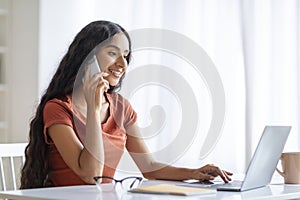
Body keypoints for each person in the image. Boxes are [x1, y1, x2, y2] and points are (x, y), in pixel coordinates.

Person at [20, 20, 232, 189]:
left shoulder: (121, 107)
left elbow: (148, 167)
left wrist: (194, 173)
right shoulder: (58, 109)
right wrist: (94, 110)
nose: (122, 64)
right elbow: (91, 174)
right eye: (113, 53)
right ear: (87, 57)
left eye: (126, 55)